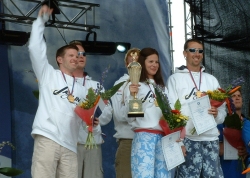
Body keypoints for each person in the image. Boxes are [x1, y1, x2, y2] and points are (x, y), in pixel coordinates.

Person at [28, 6, 100, 178]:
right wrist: (40, 22)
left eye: (78, 56)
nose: (76, 58)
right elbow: (34, 49)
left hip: (70, 144)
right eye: (71, 55)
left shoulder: (83, 89)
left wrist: (91, 121)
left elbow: (82, 118)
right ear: (59, 59)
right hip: (48, 137)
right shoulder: (48, 74)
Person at [167, 39, 227, 178]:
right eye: (193, 50)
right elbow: (171, 113)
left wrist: (217, 113)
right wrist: (178, 142)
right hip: (188, 138)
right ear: (185, 53)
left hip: (210, 138)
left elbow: (223, 112)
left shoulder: (211, 79)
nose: (197, 54)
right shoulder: (175, 79)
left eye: (200, 51)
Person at [123, 47, 171, 178]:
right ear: (142, 63)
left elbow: (170, 114)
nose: (154, 65)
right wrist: (133, 96)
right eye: (151, 61)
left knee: (163, 176)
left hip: (163, 137)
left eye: (156, 62)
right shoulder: (135, 85)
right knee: (143, 175)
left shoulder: (162, 88)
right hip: (144, 136)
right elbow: (128, 117)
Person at [69, 40, 112, 178]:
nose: (81, 56)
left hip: (92, 142)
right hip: (69, 142)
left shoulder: (96, 85)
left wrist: (97, 118)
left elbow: (108, 113)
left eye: (83, 54)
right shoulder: (62, 84)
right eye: (77, 54)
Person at [108, 48, 140, 178]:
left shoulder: (149, 84)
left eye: (138, 61)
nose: (134, 64)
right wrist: (132, 104)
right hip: (128, 139)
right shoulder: (120, 84)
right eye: (131, 61)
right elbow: (119, 115)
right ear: (126, 65)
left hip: (149, 140)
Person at [218, 89, 247, 178]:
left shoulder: (247, 124)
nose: (237, 98)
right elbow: (215, 149)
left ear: (242, 101)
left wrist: (247, 151)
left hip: (242, 172)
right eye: (233, 96)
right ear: (228, 102)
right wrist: (220, 148)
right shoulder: (221, 124)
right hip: (226, 171)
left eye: (239, 96)